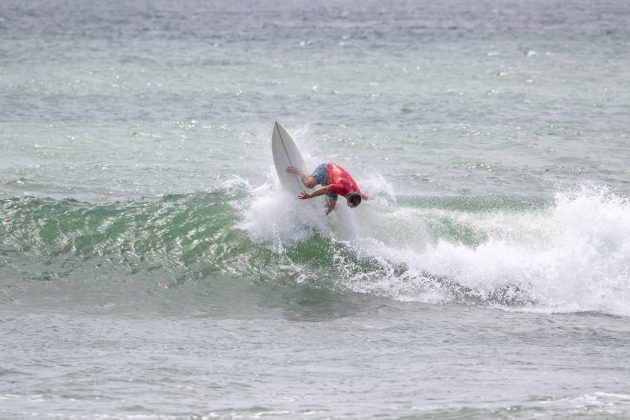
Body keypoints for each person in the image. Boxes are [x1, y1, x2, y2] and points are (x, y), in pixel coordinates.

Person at [287, 163, 367, 215]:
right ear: (349, 201)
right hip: (326, 169)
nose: (353, 207)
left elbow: (362, 195)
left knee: (330, 207)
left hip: (333, 179)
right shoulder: (340, 188)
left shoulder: (356, 192)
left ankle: (318, 217)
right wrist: (310, 195)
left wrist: (368, 198)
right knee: (309, 184)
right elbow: (325, 189)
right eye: (353, 206)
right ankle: (300, 172)